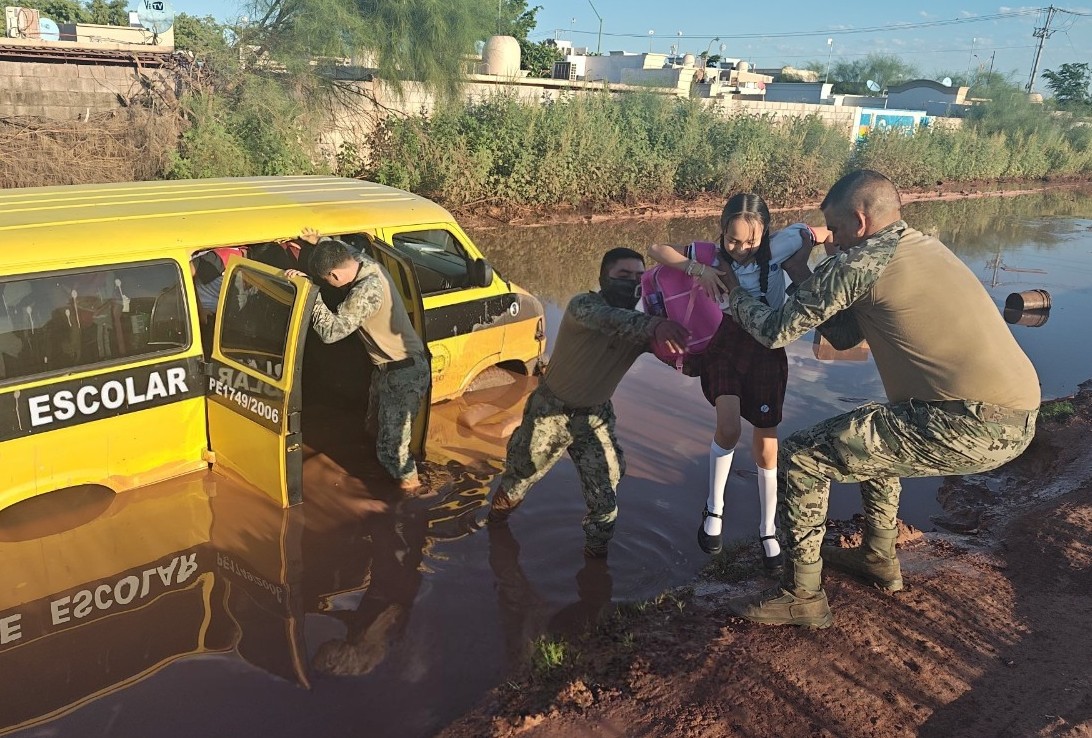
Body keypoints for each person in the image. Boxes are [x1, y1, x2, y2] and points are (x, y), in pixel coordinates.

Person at [720, 170, 1040, 628]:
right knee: (878, 432)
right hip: (1009, 415)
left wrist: (733, 292)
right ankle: (877, 557)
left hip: (970, 424)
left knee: (802, 455)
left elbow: (773, 332)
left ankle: (802, 595)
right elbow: (847, 335)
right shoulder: (920, 245)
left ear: (860, 220)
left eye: (836, 228)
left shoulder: (860, 261)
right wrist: (798, 271)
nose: (833, 239)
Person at [649, 194, 829, 570]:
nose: (743, 249)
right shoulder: (711, 255)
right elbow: (656, 248)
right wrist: (699, 270)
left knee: (766, 446)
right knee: (728, 427)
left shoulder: (785, 241)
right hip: (727, 342)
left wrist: (816, 252)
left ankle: (767, 528)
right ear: (722, 231)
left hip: (767, 347)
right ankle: (714, 511)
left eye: (751, 241)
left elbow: (829, 231)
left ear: (767, 232)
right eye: (734, 240)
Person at [483, 248, 689, 558]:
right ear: (603, 279)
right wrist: (656, 326)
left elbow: (681, 355)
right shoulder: (584, 305)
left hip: (595, 417)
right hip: (550, 411)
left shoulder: (644, 325)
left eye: (639, 277)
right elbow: (608, 319)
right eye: (623, 276)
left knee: (605, 494)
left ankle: (596, 564)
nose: (632, 283)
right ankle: (493, 528)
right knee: (519, 479)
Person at [285, 229, 430, 492]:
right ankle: (393, 483)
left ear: (336, 275)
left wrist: (310, 292)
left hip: (403, 372)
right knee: (374, 430)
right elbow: (340, 250)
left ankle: (413, 496)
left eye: (327, 280)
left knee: (393, 451)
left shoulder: (367, 291)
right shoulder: (363, 262)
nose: (329, 284)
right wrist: (319, 241)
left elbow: (331, 332)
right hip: (388, 368)